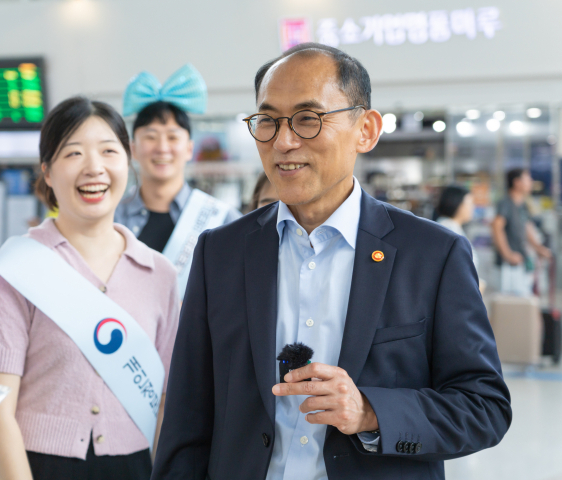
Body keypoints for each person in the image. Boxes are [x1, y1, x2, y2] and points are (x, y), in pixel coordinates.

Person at [152, 43, 511, 480]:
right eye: (267, 121)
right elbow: (188, 417)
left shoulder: (432, 254)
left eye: (308, 119)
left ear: (366, 129)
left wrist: (372, 412)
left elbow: (484, 407)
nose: (283, 141)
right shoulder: (221, 253)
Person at [0, 97, 179, 480]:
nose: (94, 168)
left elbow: (168, 398)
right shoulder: (14, 271)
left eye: (108, 151)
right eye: (73, 153)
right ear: (48, 172)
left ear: (127, 161)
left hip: (134, 467)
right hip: (34, 465)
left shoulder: (159, 274)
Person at [115, 65, 240, 258]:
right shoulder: (112, 218)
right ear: (133, 149)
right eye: (150, 137)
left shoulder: (221, 218)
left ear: (189, 149)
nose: (162, 147)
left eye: (172, 137)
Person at [492, 168, 551, 296]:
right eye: (527, 178)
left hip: (521, 261)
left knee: (523, 300)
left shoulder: (522, 205)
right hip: (509, 264)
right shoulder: (505, 203)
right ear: (517, 182)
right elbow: (496, 227)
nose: (531, 182)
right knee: (509, 303)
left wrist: (538, 248)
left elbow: (527, 228)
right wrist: (507, 254)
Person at [435, 185, 486, 293]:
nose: (473, 207)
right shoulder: (448, 230)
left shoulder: (452, 227)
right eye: (470, 203)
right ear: (456, 204)